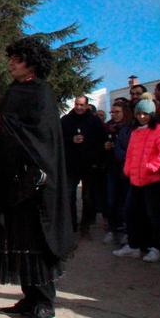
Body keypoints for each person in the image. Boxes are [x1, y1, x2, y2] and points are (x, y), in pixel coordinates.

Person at [0, 37, 74, 318]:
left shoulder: (41, 92)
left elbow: (40, 136)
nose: (11, 63)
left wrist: (0, 121)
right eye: (11, 58)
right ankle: (30, 297)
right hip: (14, 183)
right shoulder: (16, 90)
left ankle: (45, 303)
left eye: (17, 59)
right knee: (18, 239)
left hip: (36, 185)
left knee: (36, 241)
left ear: (31, 62)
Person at [113, 94, 160, 262]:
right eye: (139, 113)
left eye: (146, 113)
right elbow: (130, 154)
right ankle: (134, 246)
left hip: (153, 181)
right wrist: (128, 170)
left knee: (154, 216)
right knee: (131, 213)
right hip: (135, 180)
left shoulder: (159, 130)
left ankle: (156, 248)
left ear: (152, 114)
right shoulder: (135, 132)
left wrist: (151, 167)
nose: (142, 116)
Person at [61, 95, 105, 235]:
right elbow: (59, 139)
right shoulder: (66, 120)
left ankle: (85, 225)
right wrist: (71, 139)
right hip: (71, 165)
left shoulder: (94, 121)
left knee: (88, 197)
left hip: (89, 164)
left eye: (82, 105)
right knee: (69, 195)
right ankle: (71, 225)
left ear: (87, 106)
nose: (79, 107)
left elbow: (101, 140)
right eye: (76, 104)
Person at [102, 101, 132, 245]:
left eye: (117, 112)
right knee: (111, 200)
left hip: (126, 169)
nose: (113, 114)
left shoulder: (130, 128)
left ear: (124, 112)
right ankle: (112, 229)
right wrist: (105, 147)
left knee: (126, 201)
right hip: (112, 168)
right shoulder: (108, 127)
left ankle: (127, 231)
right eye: (112, 112)